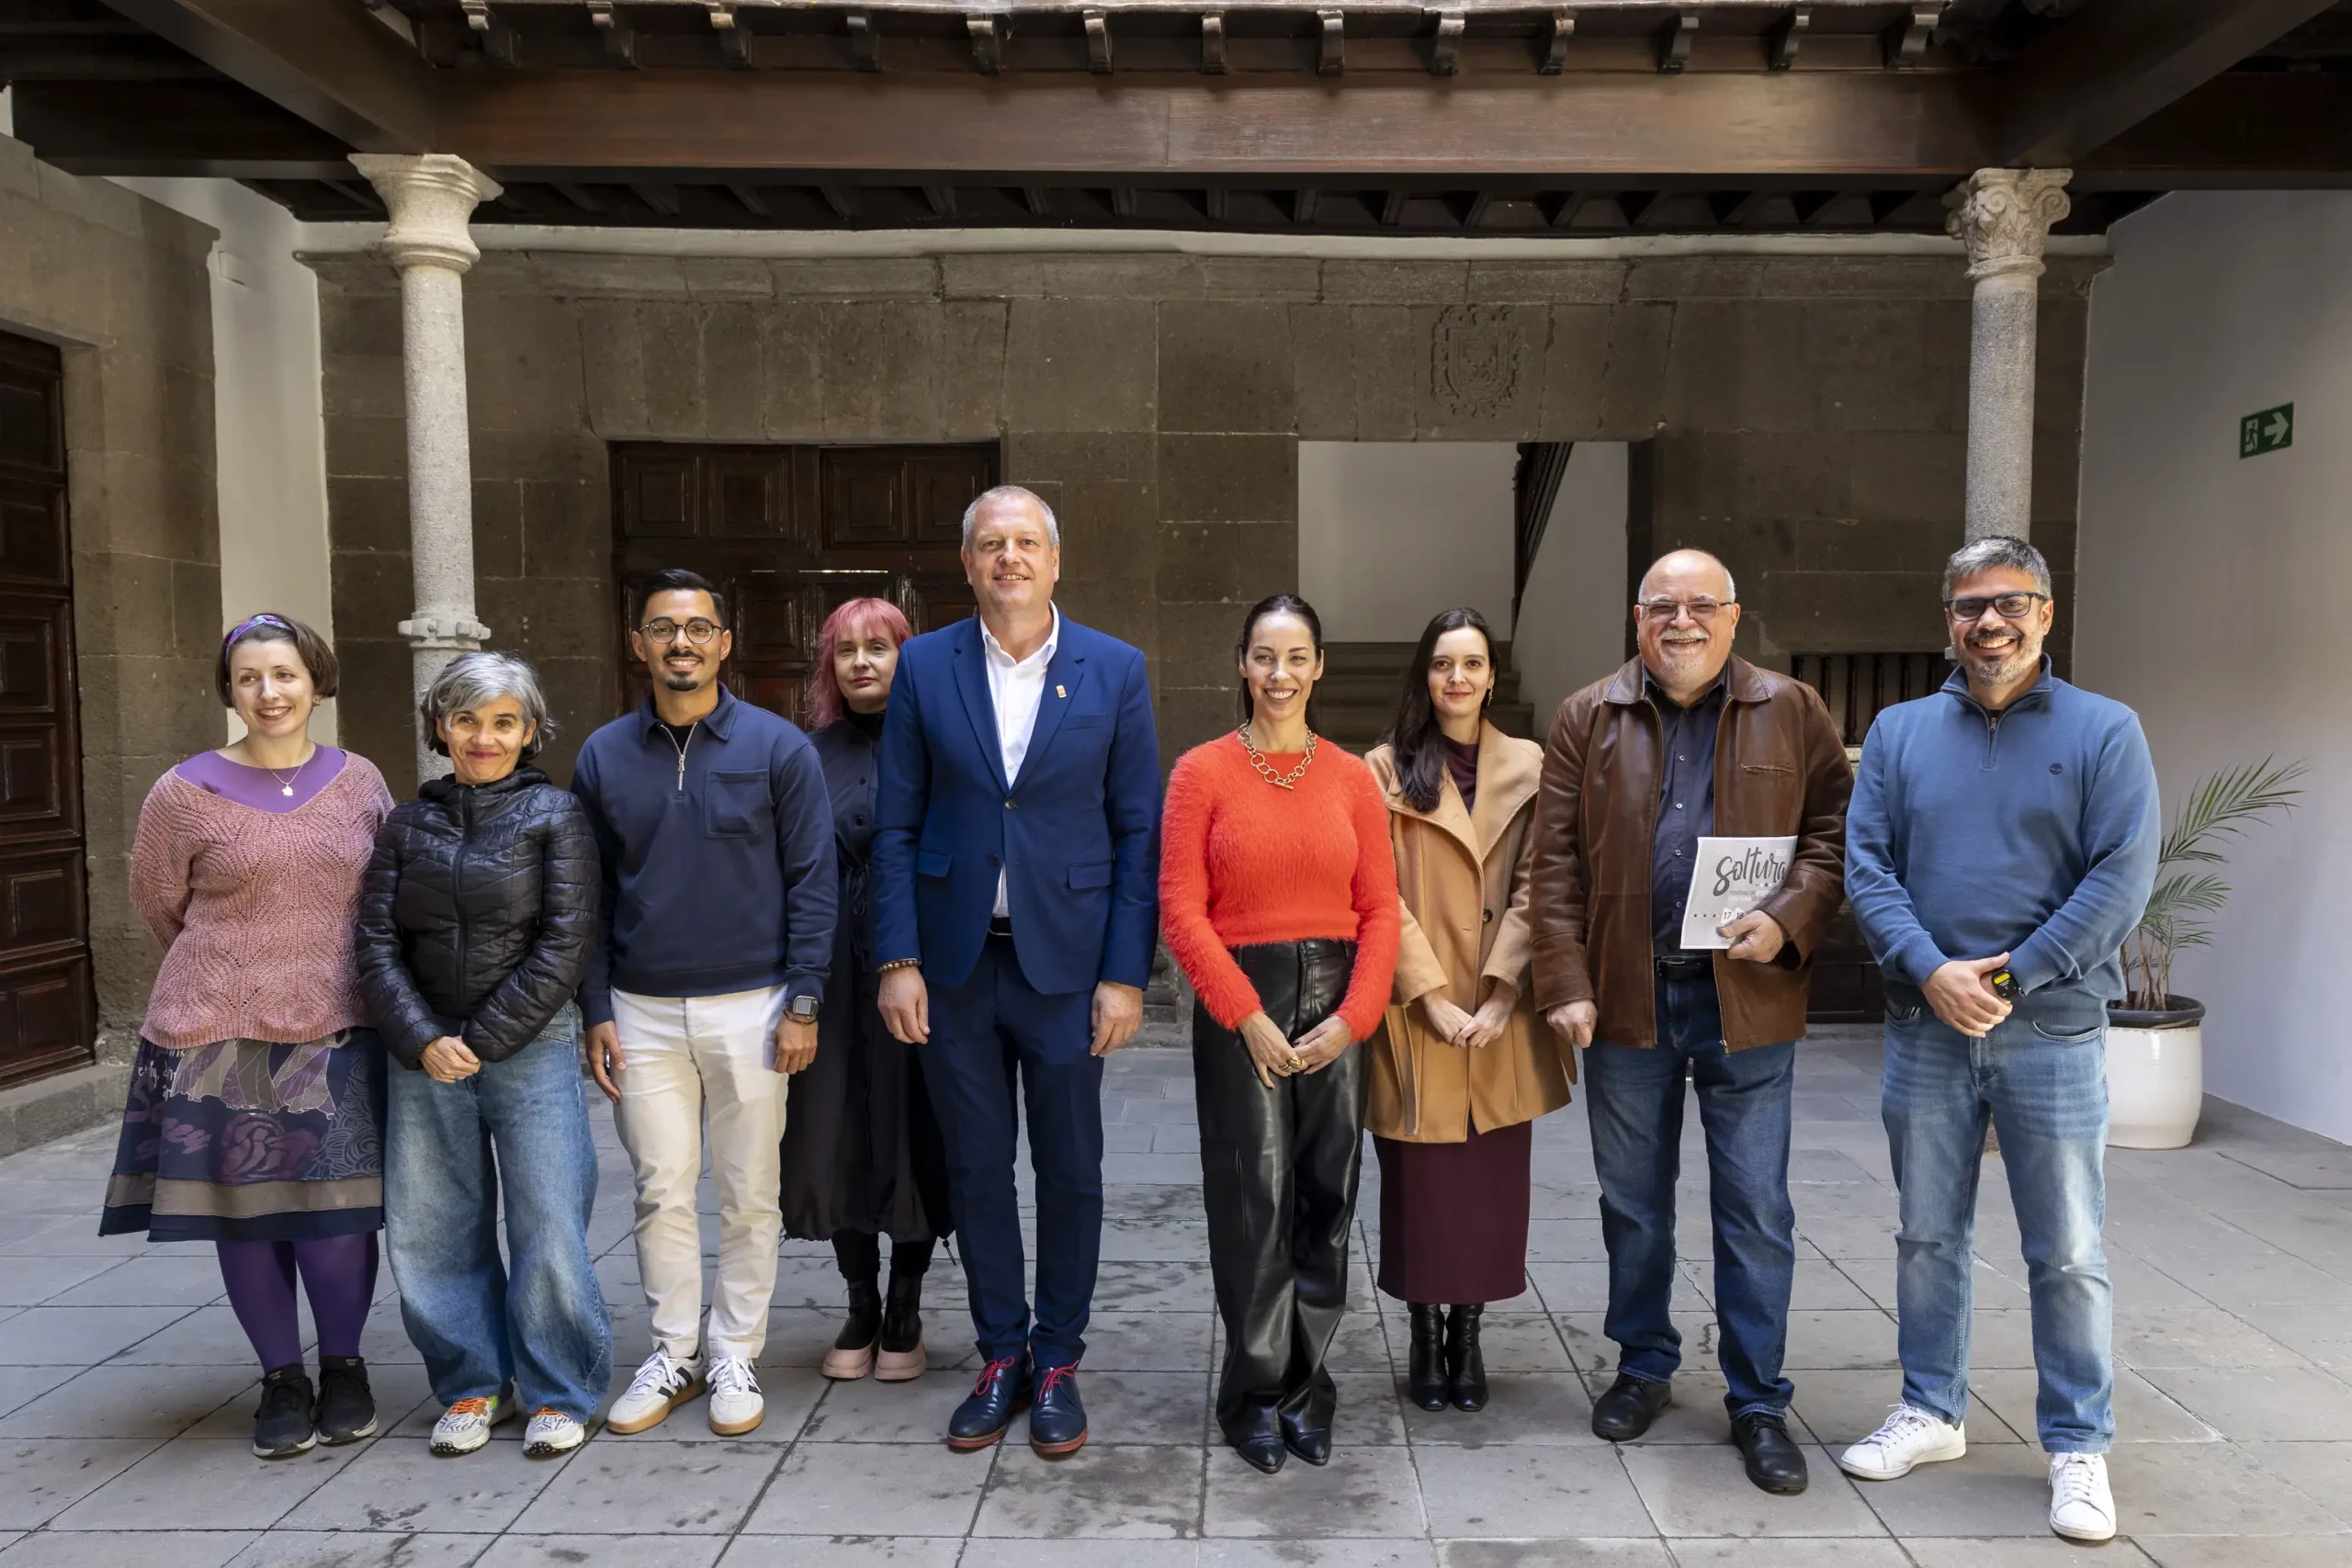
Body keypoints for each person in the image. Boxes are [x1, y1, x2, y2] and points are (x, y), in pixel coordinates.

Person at [1838, 536, 2158, 1546]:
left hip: (2051, 1031)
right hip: (1925, 1027)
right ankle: (1932, 1410)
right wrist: (1932, 970)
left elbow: (2117, 879)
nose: (1989, 622)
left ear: (2046, 614)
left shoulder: (2106, 732)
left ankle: (2076, 1443)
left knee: (2065, 1247)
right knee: (1927, 1234)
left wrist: (2011, 978)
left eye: (2010, 603)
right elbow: (1868, 867)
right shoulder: (1895, 734)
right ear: (1946, 619)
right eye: (1969, 606)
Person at [1528, 549, 1852, 1496]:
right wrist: (1563, 980)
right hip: (1625, 996)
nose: (1681, 621)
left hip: (1744, 1000)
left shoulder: (1791, 709)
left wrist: (1788, 916)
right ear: (1636, 620)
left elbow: (1835, 832)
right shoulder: (1587, 716)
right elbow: (1550, 864)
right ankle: (1643, 1365)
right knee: (1632, 1203)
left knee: (1755, 1209)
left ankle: (1757, 1399)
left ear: (1733, 616)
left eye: (1699, 605)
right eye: (1661, 606)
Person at [873, 485, 1160, 1458]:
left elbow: (1136, 831)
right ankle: (1002, 1356)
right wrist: (898, 957)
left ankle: (1060, 1360)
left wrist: (1125, 975)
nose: (1008, 558)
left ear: (1055, 558)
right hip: (953, 967)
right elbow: (897, 822)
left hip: (1069, 969)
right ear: (966, 563)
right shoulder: (923, 665)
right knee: (976, 1166)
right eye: (990, 543)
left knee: (1071, 1169)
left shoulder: (1114, 671)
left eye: (1025, 542)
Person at [104, 613, 395, 1460]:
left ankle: (344, 1368)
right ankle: (281, 1378)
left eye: (284, 674)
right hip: (218, 1038)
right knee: (250, 1220)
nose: (268, 692)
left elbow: (382, 895)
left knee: (340, 1218)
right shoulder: (182, 791)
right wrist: (236, 970)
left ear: (316, 681)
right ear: (229, 689)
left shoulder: (361, 780)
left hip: (339, 1026)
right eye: (249, 678)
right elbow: (159, 903)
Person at [572, 570, 837, 1438]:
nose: (679, 642)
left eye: (697, 627)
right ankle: (673, 1350)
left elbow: (812, 880)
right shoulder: (603, 755)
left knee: (750, 1193)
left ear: (725, 642)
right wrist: (595, 1006)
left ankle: (735, 1351)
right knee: (660, 1188)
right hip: (641, 1008)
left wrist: (804, 999)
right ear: (637, 642)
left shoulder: (778, 747)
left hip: (754, 1006)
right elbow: (592, 895)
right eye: (662, 628)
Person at [1161, 593, 1400, 1474]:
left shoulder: (1348, 777)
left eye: (1297, 656)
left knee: (1327, 1199)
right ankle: (1253, 1390)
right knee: (1254, 1199)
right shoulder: (1201, 773)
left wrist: (1355, 1017)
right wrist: (1245, 1014)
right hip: (1244, 1005)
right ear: (1241, 664)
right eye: (1265, 656)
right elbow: (1182, 912)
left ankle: (1308, 1384)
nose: (1280, 674)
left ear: (1320, 666)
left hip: (1339, 1002)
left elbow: (1380, 908)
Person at [356, 652, 610, 1460]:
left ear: (530, 731)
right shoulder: (405, 824)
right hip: (424, 1050)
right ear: (441, 728)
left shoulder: (555, 816)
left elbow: (566, 940)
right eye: (466, 720)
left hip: (528, 1049)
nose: (484, 737)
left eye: (503, 721)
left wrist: (482, 1038)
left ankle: (559, 1389)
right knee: (434, 1227)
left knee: (548, 1221)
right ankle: (473, 1381)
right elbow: (374, 941)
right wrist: (423, 1038)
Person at [1363, 607, 1570, 1417]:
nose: (1458, 678)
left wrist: (1504, 986)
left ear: (1490, 675)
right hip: (1416, 1008)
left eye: (1474, 663)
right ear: (1424, 675)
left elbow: (1540, 881)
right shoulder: (1381, 770)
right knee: (1419, 1183)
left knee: (1488, 1183)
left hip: (1499, 1010)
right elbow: (1375, 892)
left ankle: (1469, 1332)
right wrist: (1431, 994)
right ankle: (1422, 1329)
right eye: (1444, 663)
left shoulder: (1530, 762)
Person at [780, 597, 954, 1382]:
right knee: (834, 1129)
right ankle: (859, 1299)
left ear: (905, 656)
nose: (861, 661)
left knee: (914, 1126)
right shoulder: (803, 754)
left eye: (878, 646)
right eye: (845, 648)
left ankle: (907, 1302)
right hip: (829, 970)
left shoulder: (941, 749)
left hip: (919, 962)